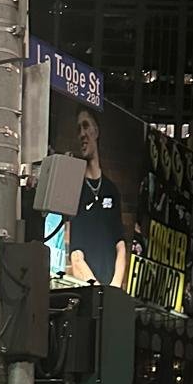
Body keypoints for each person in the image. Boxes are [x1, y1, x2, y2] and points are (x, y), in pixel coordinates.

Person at [67, 106, 127, 288]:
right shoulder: (74, 189)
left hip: (110, 291)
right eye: (78, 130)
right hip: (88, 291)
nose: (82, 134)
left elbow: (120, 245)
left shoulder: (111, 189)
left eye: (86, 126)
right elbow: (76, 254)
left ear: (96, 131)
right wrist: (97, 291)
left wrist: (114, 288)